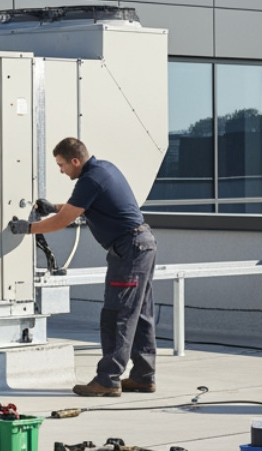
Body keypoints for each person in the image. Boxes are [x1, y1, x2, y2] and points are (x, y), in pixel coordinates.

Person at [8, 137, 157, 398]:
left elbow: (63, 220)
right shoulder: (103, 169)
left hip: (129, 250)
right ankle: (144, 376)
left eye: (62, 164)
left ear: (75, 161)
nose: (61, 170)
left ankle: (107, 380)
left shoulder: (90, 179)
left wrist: (27, 228)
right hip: (142, 245)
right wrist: (51, 207)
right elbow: (75, 208)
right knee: (140, 313)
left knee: (117, 314)